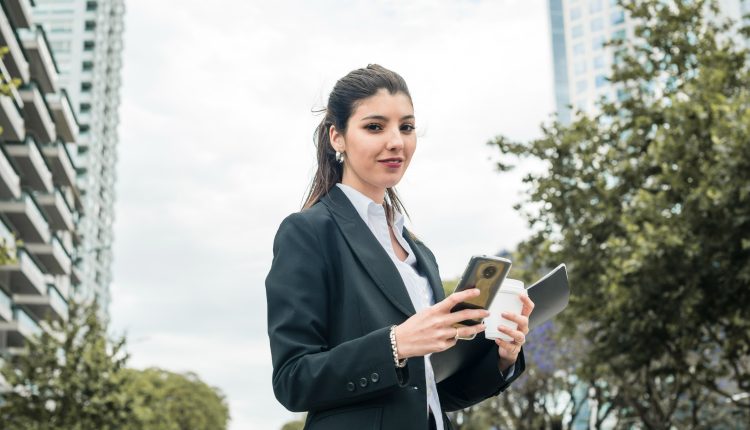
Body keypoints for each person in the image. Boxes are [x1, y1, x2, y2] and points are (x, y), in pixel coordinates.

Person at [266, 64, 534, 430]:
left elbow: (431, 392)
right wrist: (395, 344)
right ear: (337, 137)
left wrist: (503, 358)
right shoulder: (309, 232)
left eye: (406, 127)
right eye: (375, 127)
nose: (396, 141)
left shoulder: (419, 252)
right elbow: (292, 380)